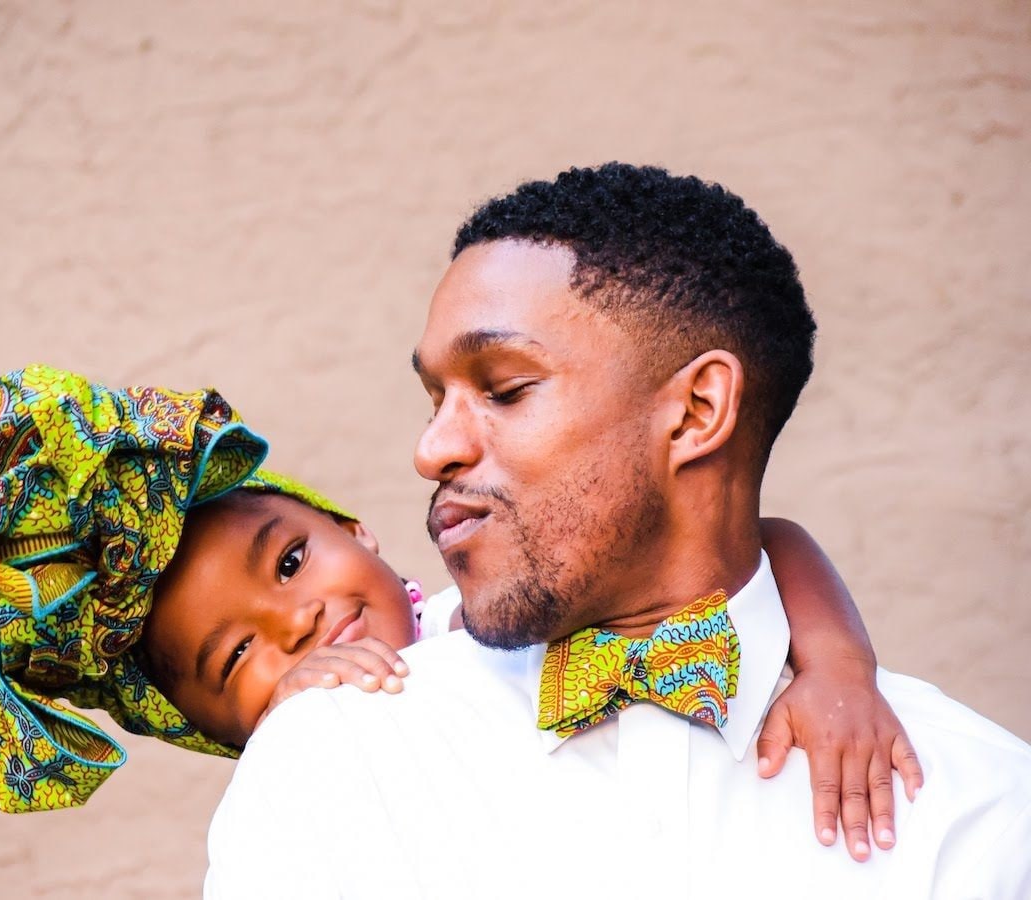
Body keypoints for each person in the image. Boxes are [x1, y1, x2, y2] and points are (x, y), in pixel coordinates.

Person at [205, 164, 1031, 899]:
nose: (432, 450)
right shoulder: (337, 761)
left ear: (697, 411)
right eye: (435, 400)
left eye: (504, 388)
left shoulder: (975, 811)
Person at [0, 366, 913, 852]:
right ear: (219, 733)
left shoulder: (506, 604)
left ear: (354, 529)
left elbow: (764, 540)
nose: (301, 624)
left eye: (289, 566)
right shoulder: (337, 778)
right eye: (239, 662)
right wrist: (304, 717)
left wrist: (836, 669)